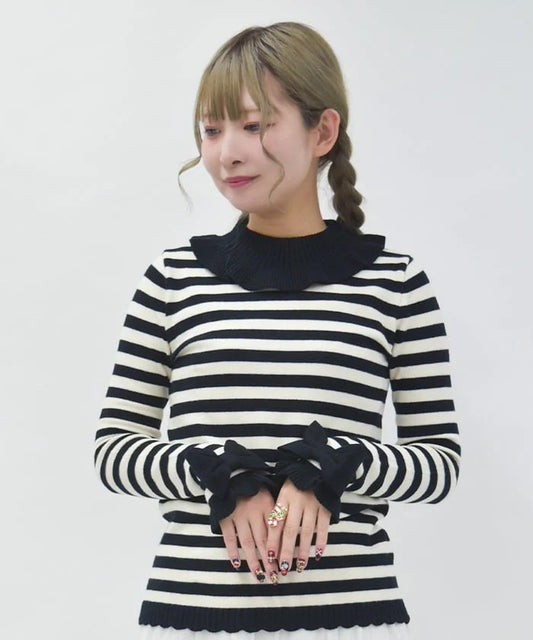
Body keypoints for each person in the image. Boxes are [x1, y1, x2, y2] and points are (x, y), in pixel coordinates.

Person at [94, 21, 461, 640]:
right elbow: (113, 453)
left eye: (254, 125)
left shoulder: (395, 282)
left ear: (323, 132)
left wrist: (338, 462)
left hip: (351, 620)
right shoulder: (173, 279)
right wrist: (216, 470)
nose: (227, 153)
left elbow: (439, 464)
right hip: (192, 620)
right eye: (212, 130)